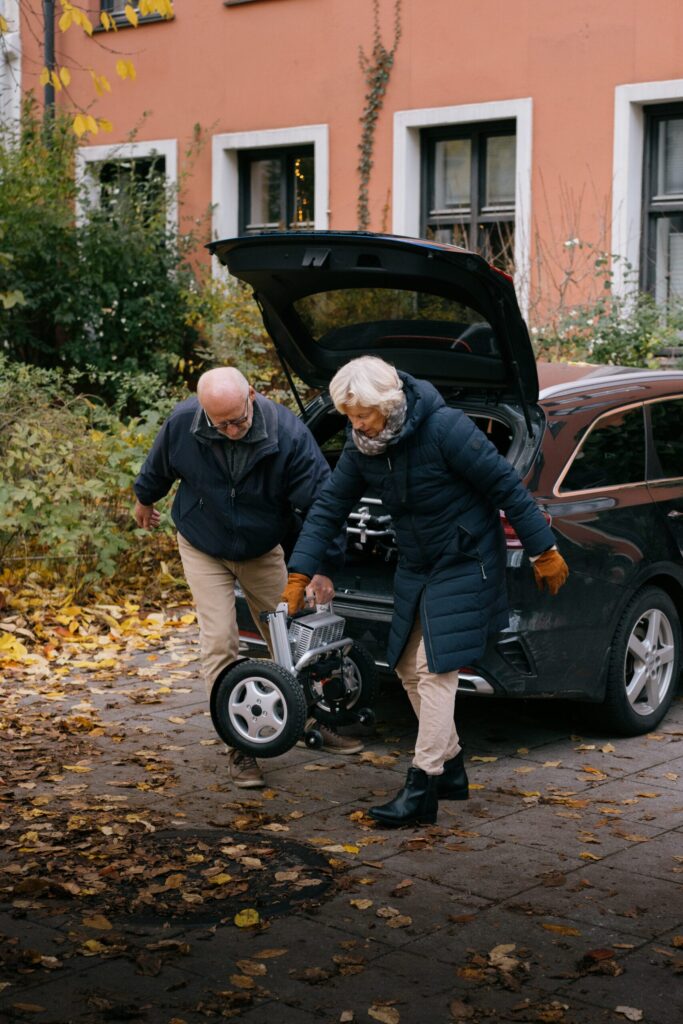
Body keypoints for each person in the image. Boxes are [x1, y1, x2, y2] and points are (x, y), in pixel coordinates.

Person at [282, 356, 568, 827]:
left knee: (433, 669)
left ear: (389, 404)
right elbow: (330, 504)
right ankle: (452, 766)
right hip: (417, 562)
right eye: (348, 416)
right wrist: (300, 571)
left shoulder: (445, 429)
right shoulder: (364, 444)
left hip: (466, 558)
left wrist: (543, 548)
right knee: (406, 669)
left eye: (361, 415)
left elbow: (505, 486)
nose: (354, 425)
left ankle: (423, 786)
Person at [133, 367, 362, 790]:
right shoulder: (184, 422)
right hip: (203, 543)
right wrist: (145, 499)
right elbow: (159, 465)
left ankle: (308, 717)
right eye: (220, 424)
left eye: (237, 420)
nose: (232, 430)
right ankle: (239, 742)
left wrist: (325, 565)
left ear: (252, 396)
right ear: (204, 411)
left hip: (260, 547)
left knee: (288, 636)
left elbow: (322, 503)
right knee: (221, 642)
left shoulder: (287, 434)